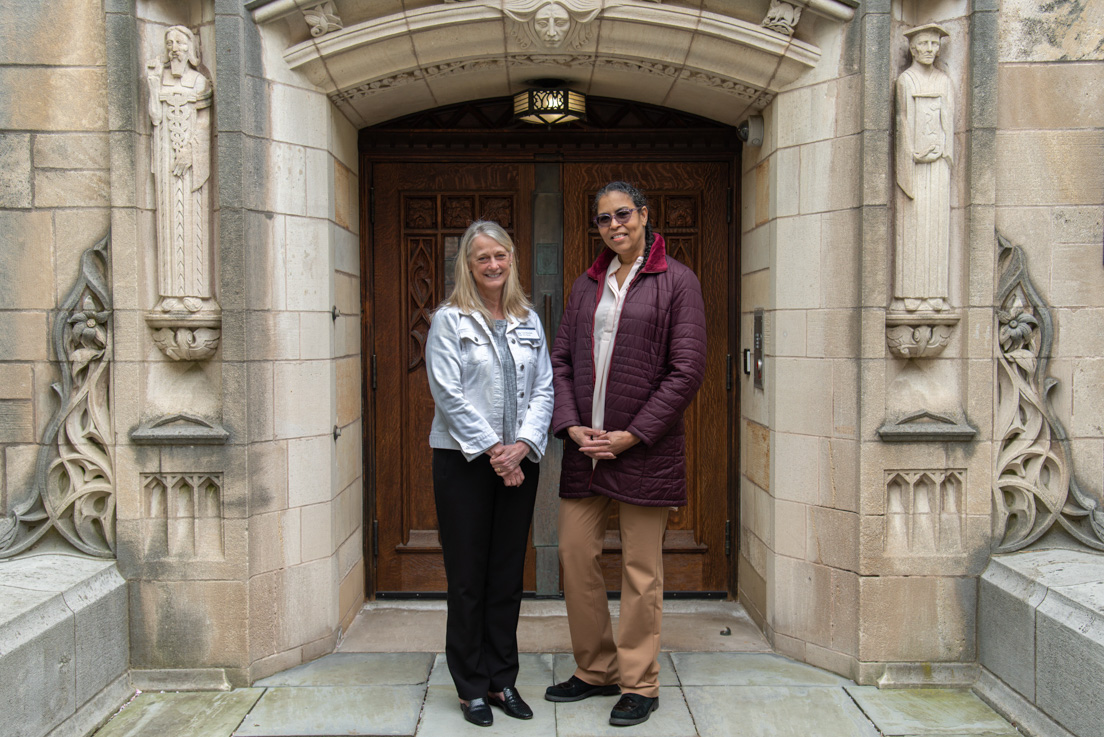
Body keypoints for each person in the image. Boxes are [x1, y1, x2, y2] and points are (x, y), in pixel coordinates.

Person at [546, 182, 706, 726]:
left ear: (643, 215)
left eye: (623, 214)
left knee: (641, 569)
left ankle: (640, 682)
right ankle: (595, 670)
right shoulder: (585, 285)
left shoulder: (677, 281)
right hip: (585, 450)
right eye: (603, 219)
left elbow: (687, 370)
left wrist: (633, 435)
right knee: (574, 553)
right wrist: (569, 426)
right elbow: (561, 360)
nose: (614, 225)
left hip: (644, 450)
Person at [425, 220, 554, 727]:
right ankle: (470, 686)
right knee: (467, 579)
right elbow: (447, 394)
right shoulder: (448, 320)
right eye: (483, 258)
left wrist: (522, 446)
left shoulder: (530, 319)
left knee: (506, 576)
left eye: (500, 255)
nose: (494, 265)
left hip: (519, 463)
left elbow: (544, 389)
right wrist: (496, 451)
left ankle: (502, 679)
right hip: (463, 464)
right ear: (469, 265)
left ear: (512, 259)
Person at [894, 23, 954, 314]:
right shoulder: (906, 80)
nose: (930, 49)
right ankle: (910, 295)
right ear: (913, 48)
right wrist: (911, 155)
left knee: (936, 229)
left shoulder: (944, 81)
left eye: (934, 44)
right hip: (915, 166)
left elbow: (950, 122)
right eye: (924, 44)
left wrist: (942, 151)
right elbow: (902, 121)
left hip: (938, 167)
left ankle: (936, 295)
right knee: (913, 227)